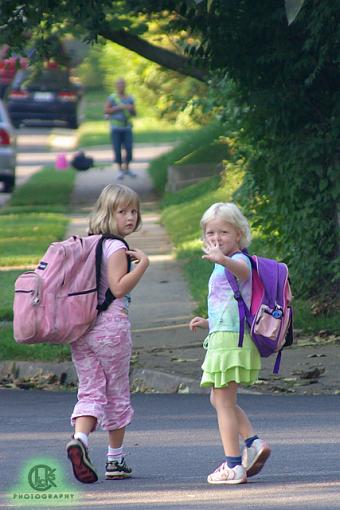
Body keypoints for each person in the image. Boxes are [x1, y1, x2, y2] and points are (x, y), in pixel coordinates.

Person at [66, 183, 149, 484]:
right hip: (110, 329)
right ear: (108, 213)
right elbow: (118, 287)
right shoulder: (116, 247)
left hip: (81, 329)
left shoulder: (88, 243)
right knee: (115, 391)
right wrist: (143, 266)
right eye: (122, 211)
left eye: (134, 211)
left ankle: (81, 440)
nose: (130, 217)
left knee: (89, 390)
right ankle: (115, 459)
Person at [189, 202, 271, 485]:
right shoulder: (222, 264)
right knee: (219, 398)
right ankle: (254, 442)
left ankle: (234, 465)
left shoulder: (240, 260)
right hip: (223, 334)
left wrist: (222, 259)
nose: (216, 238)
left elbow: (243, 272)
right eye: (210, 232)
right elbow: (232, 307)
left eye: (224, 231)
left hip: (230, 341)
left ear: (239, 233)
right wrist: (207, 322)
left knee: (223, 402)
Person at [104, 78, 137, 180]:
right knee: (117, 149)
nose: (121, 86)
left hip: (127, 127)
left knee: (129, 148)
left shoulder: (130, 98)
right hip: (115, 128)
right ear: (116, 86)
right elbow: (106, 110)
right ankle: (119, 169)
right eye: (119, 84)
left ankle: (127, 168)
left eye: (123, 84)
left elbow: (135, 113)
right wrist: (119, 108)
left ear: (125, 86)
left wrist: (131, 109)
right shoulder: (112, 98)